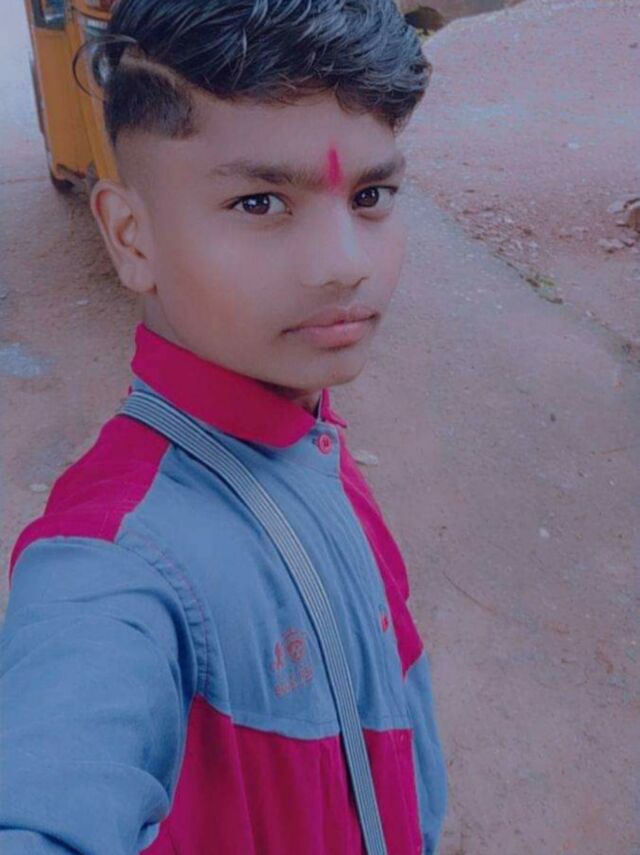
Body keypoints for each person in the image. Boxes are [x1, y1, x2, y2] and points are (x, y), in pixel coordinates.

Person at [0, 1, 448, 852]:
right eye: (259, 202)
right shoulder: (113, 563)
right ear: (131, 237)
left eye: (372, 195)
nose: (344, 263)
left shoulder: (306, 430)